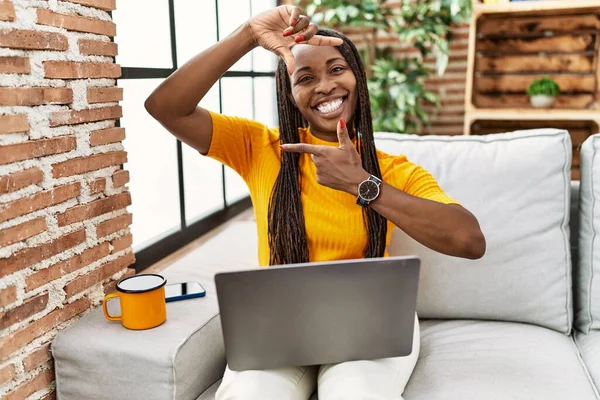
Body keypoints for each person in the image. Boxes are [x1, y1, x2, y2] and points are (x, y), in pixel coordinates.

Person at [145, 5, 486, 399]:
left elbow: (469, 241)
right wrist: (248, 35)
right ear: (290, 96)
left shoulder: (391, 171)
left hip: (369, 321)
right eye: (305, 78)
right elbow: (165, 107)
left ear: (358, 78)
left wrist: (363, 184)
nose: (325, 86)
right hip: (280, 320)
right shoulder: (260, 148)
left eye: (337, 69)